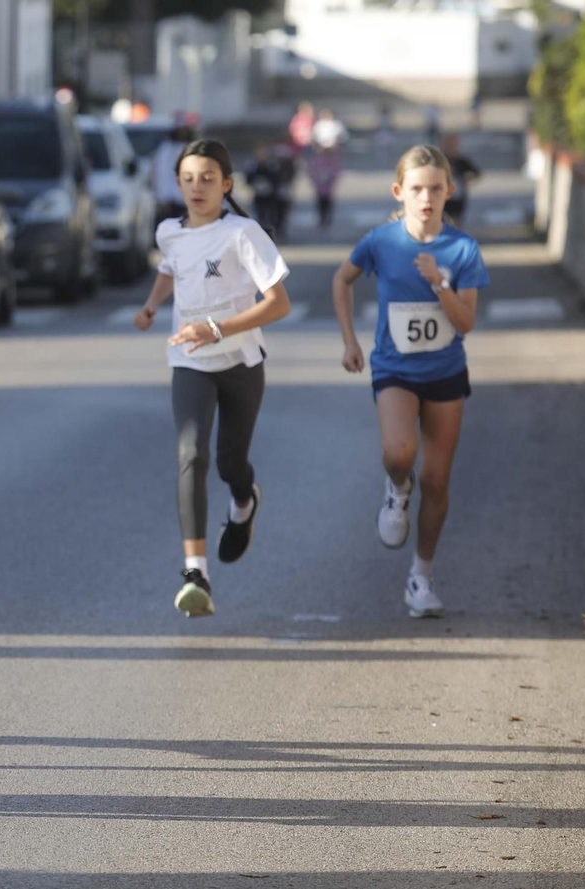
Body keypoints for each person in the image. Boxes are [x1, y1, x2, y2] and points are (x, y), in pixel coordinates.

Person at [133, 140, 292, 617]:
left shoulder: (243, 233)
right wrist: (151, 305)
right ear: (177, 183)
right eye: (188, 179)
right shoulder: (168, 232)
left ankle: (244, 500)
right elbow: (170, 270)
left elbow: (278, 303)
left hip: (241, 362)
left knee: (230, 465)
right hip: (190, 361)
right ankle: (195, 572)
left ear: (226, 185)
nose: (197, 187)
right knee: (190, 452)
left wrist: (219, 328)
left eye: (207, 179)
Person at [330, 145, 487, 619]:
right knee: (400, 453)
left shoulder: (462, 249)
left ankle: (421, 576)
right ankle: (397, 487)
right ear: (400, 192)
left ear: (449, 192)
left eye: (435, 189)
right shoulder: (382, 241)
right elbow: (342, 280)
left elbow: (465, 324)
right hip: (395, 369)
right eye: (417, 189)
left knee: (438, 482)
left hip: (445, 374)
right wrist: (349, 342)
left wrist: (440, 283)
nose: (426, 198)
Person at [152, 121, 195, 230]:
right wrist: (162, 196)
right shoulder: (165, 149)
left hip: (185, 198)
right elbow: (161, 173)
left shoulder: (192, 149)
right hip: (168, 198)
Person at [440, 133, 481, 228]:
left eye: (453, 144)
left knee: (456, 220)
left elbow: (477, 174)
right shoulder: (440, 160)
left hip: (458, 196)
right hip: (443, 195)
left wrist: (467, 179)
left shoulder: (462, 161)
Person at [244, 142, 282, 234]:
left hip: (271, 196)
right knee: (260, 215)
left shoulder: (271, 165)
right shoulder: (253, 166)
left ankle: (272, 230)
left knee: (271, 215)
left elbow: (276, 178)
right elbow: (248, 179)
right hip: (259, 196)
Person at [309, 144, 344, 231]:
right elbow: (312, 171)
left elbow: (338, 172)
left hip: (329, 187)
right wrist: (317, 178)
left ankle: (327, 218)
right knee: (320, 203)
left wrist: (331, 177)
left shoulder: (333, 161)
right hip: (319, 186)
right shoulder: (318, 160)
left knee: (328, 203)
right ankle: (322, 218)